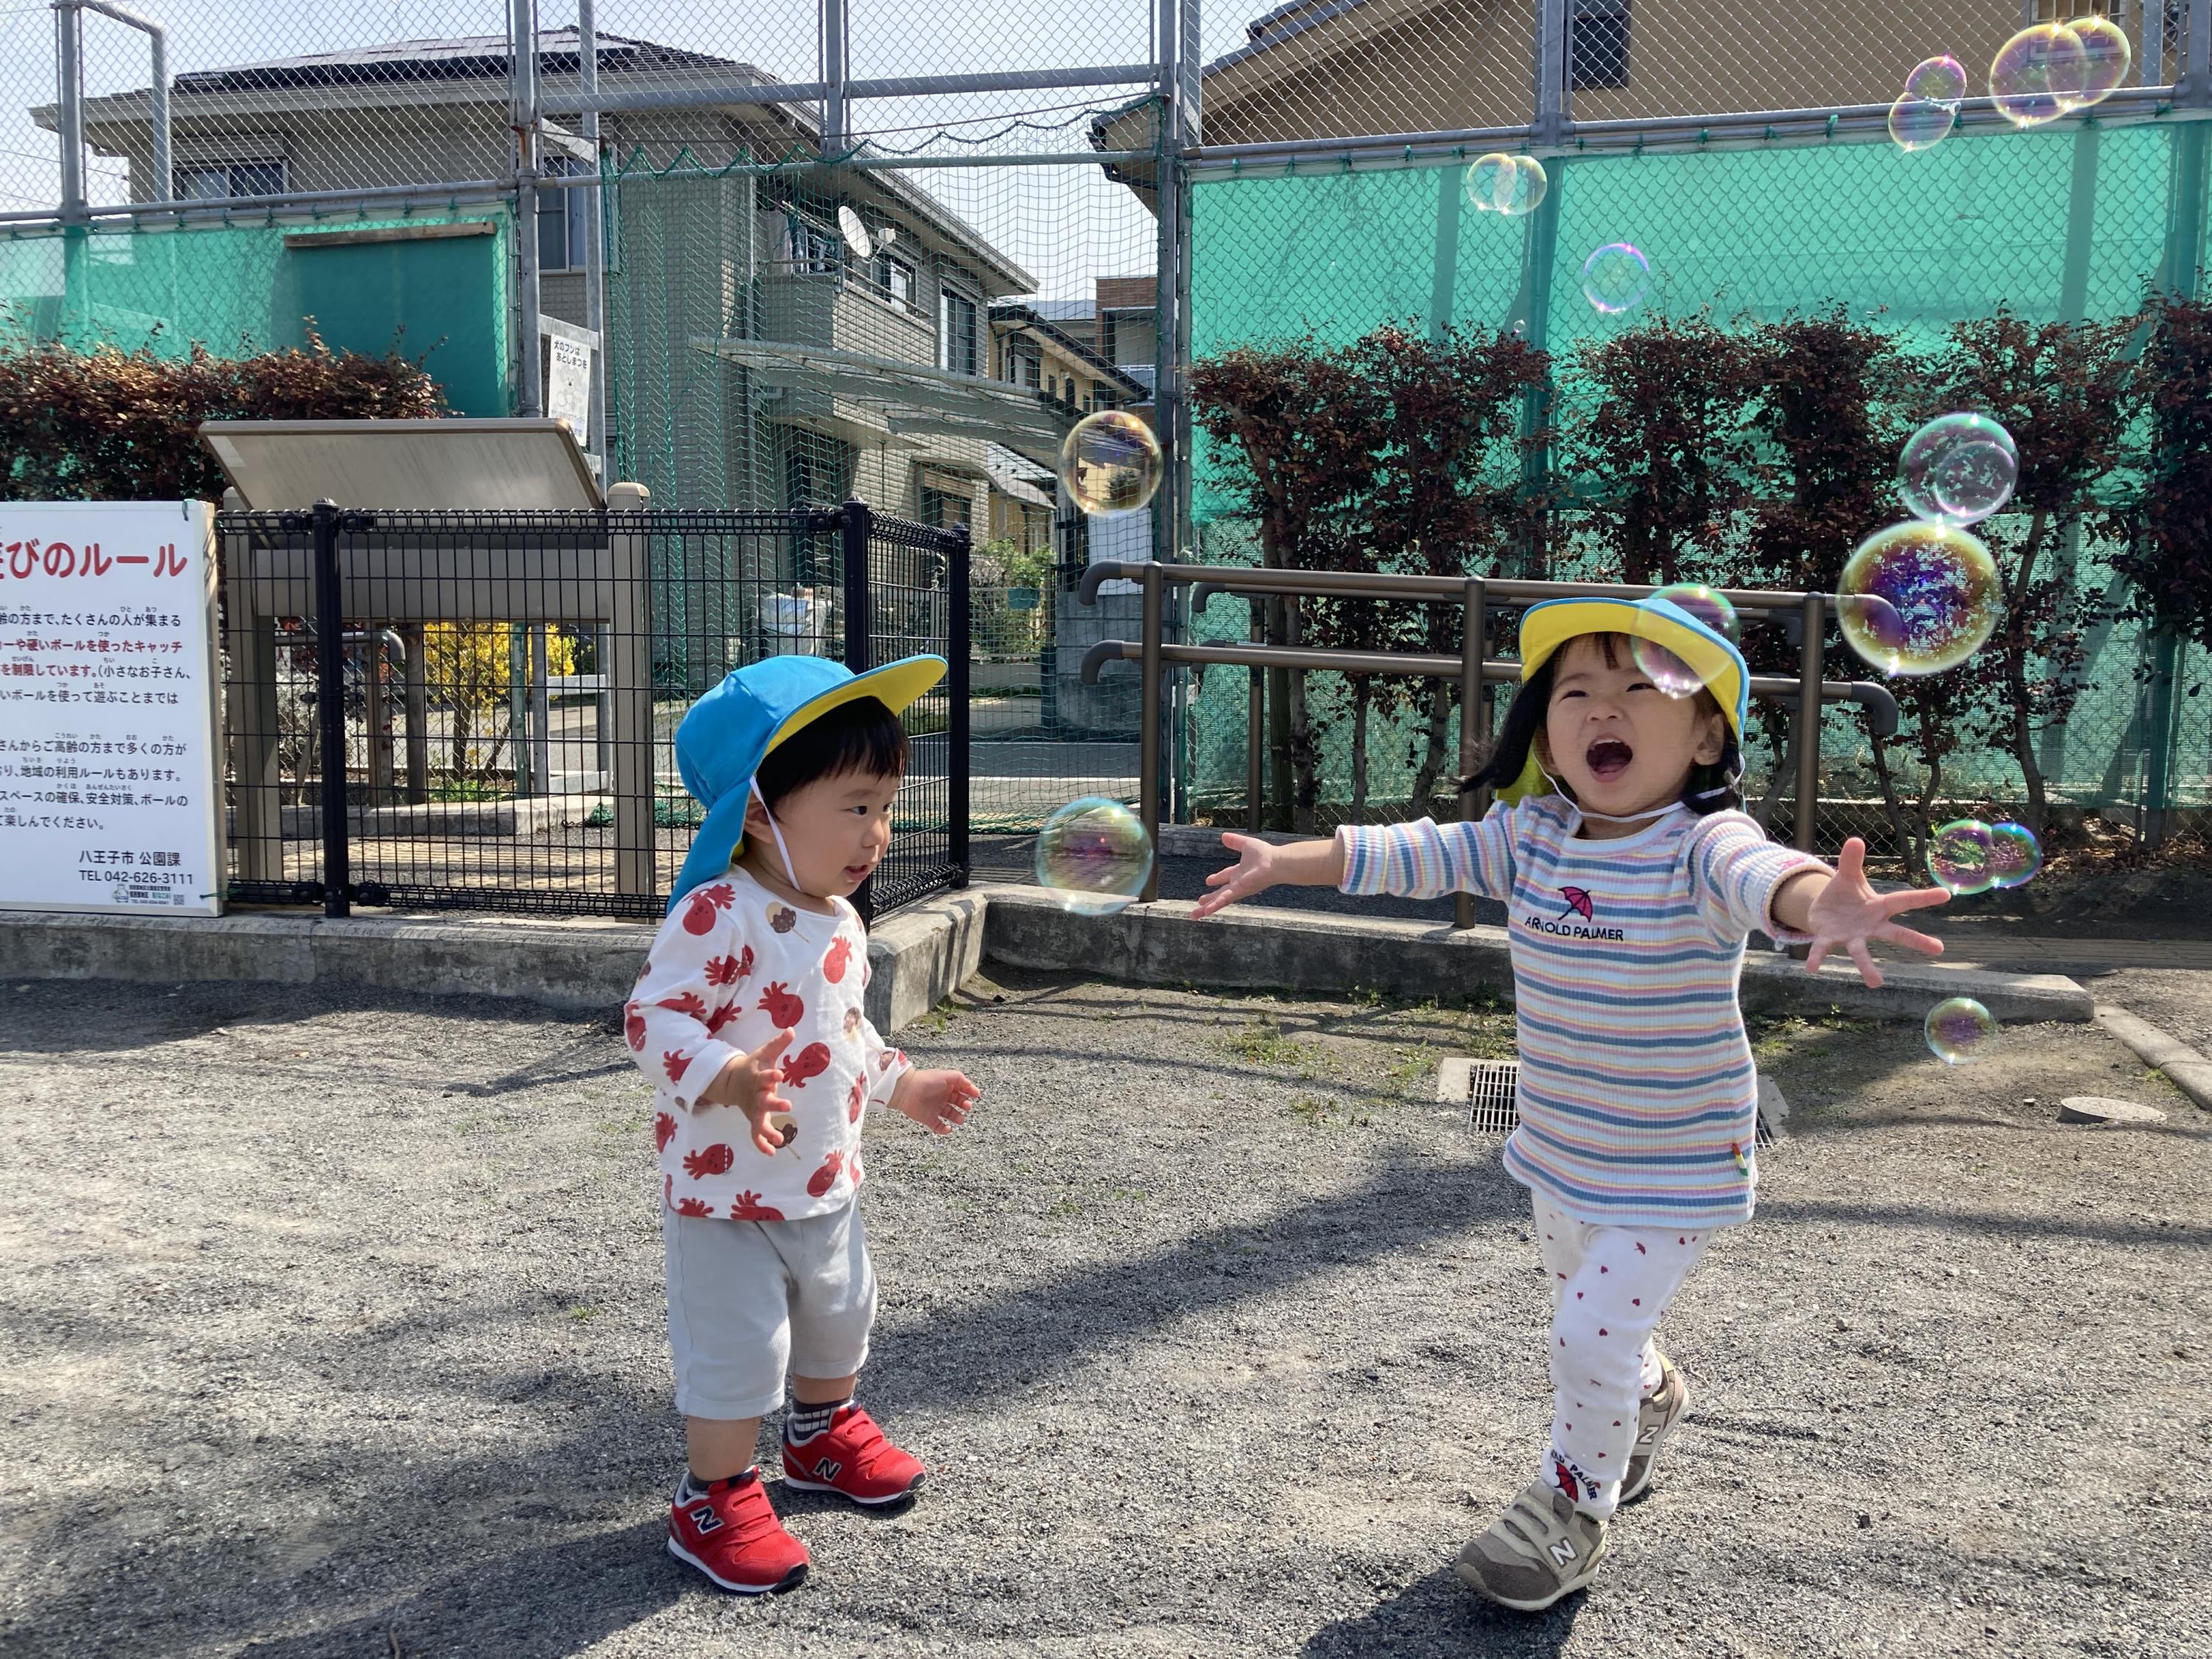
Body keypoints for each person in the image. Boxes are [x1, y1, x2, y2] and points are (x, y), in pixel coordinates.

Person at [1195, 594, 1948, 1612]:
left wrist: (1825, 901)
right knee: (1587, 1321)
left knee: (1586, 1335)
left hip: (1677, 1163)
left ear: (1707, 736)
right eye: (1577, 691)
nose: (1605, 708)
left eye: (1641, 688)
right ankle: (1649, 1397)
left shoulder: (1702, 844)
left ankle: (1571, 1511)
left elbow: (1766, 876)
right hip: (1560, 1150)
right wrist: (1288, 861)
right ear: (1546, 734)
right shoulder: (1532, 836)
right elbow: (1421, 852)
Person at [625, 653, 982, 1596]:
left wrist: (904, 1084)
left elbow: (847, 1034)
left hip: (823, 1181)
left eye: (885, 806)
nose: (878, 833)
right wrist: (730, 1074)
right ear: (757, 811)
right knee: (739, 1351)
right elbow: (652, 1020)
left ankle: (821, 1435)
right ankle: (712, 1497)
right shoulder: (719, 912)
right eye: (856, 806)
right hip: (725, 1196)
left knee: (840, 1318)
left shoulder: (840, 920)